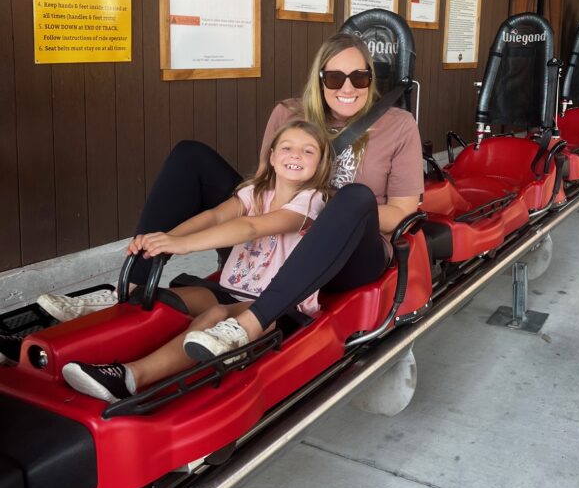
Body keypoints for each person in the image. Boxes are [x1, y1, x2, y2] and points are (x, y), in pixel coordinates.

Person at [42, 31, 423, 357]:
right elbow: (260, 187)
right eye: (335, 76)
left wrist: (322, 215)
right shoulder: (288, 113)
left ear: (371, 79)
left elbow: (404, 211)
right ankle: (134, 285)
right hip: (273, 239)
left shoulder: (398, 125)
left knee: (352, 197)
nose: (347, 87)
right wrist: (174, 240)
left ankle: (254, 321)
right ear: (319, 78)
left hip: (349, 255)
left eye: (359, 76)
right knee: (190, 155)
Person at [60, 120, 333, 403]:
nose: (296, 155)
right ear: (273, 156)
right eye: (288, 147)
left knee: (214, 317)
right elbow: (215, 216)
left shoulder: (312, 201)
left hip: (275, 305)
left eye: (308, 151)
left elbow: (252, 228)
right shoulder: (254, 192)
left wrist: (183, 245)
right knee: (157, 298)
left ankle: (129, 377)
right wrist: (162, 240)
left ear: (321, 165)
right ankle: (76, 347)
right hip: (231, 289)